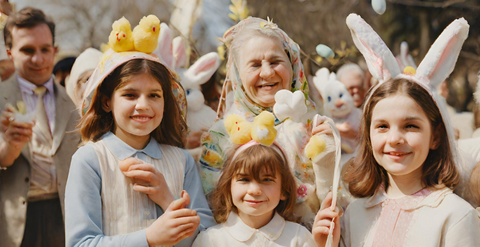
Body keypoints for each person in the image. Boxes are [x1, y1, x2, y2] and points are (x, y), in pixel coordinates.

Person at [313, 14, 480, 247]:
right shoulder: (354, 214)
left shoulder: (455, 215)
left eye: (410, 126)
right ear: (369, 136)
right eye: (382, 126)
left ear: (436, 136)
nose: (394, 139)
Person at [64, 19, 215, 245]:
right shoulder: (90, 161)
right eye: (130, 95)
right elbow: (80, 243)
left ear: (166, 102)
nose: (143, 105)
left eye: (154, 95)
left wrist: (167, 199)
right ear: (107, 102)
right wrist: (148, 239)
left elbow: (208, 238)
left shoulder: (182, 162)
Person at [199, 17, 336, 227]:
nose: (267, 72)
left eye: (275, 62)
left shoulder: (315, 126)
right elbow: (210, 208)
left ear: (292, 66)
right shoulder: (223, 135)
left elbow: (335, 200)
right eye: (254, 65)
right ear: (237, 74)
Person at [0, 7, 80, 247]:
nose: (39, 59)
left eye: (45, 49)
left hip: (65, 219)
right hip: (11, 223)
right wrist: (8, 149)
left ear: (54, 50)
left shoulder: (73, 104)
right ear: (10, 52)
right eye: (27, 50)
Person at [193, 139, 316, 246]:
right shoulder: (210, 240)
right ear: (228, 187)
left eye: (267, 180)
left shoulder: (299, 238)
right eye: (244, 179)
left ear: (284, 190)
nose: (254, 190)